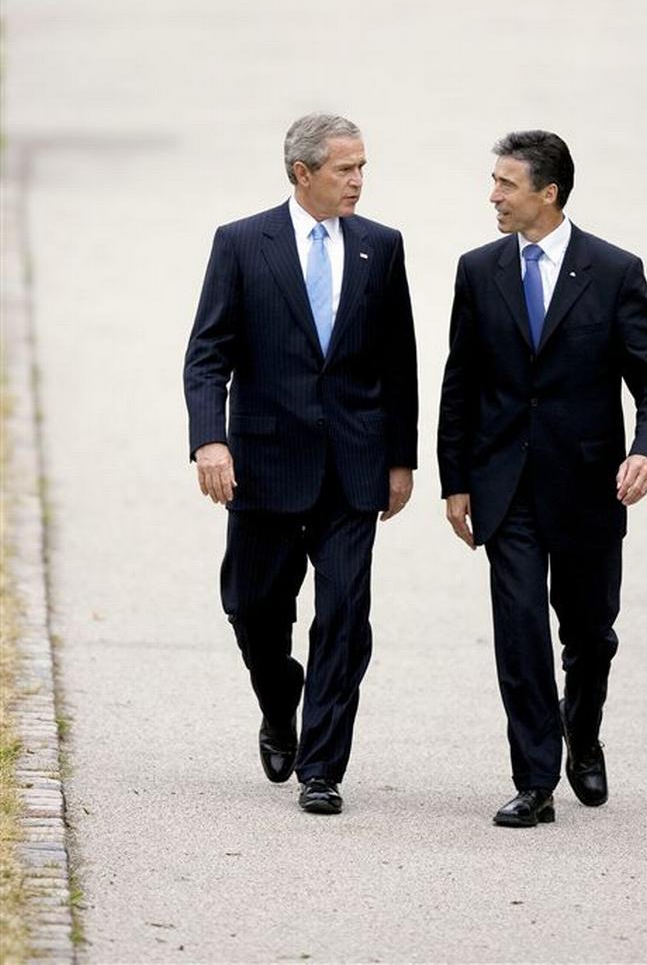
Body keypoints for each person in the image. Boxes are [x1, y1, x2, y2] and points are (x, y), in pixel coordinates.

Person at [438, 130, 647, 828]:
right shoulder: (478, 270)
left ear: (549, 193)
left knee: (590, 634)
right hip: (505, 484)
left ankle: (585, 728)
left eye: (506, 184)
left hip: (588, 485)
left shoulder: (614, 270)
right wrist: (457, 480)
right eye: (494, 182)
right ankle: (535, 780)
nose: (493, 196)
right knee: (518, 629)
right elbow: (462, 382)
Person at [184, 114, 418, 815]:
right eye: (345, 170)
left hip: (353, 468)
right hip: (262, 464)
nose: (358, 182)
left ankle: (323, 769)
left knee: (345, 616)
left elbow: (398, 362)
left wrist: (401, 460)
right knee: (254, 609)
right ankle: (280, 698)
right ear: (301, 174)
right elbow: (207, 354)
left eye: (363, 167)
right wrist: (209, 440)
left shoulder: (381, 246)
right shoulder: (241, 244)